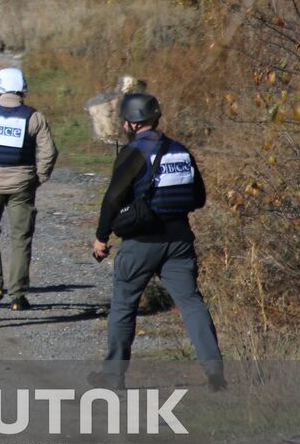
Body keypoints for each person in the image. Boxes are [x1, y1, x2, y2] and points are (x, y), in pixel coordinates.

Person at [92, 93, 224, 390]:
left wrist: (101, 238)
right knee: (191, 302)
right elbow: (199, 198)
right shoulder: (180, 151)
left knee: (124, 306)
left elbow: (112, 199)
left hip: (141, 241)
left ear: (130, 123)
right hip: (179, 239)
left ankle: (113, 378)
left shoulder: (134, 152)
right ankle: (214, 370)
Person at [0, 67, 57, 311]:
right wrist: (38, 177)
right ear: (22, 89)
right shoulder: (34, 117)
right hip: (22, 185)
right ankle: (18, 295)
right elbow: (49, 151)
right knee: (21, 238)